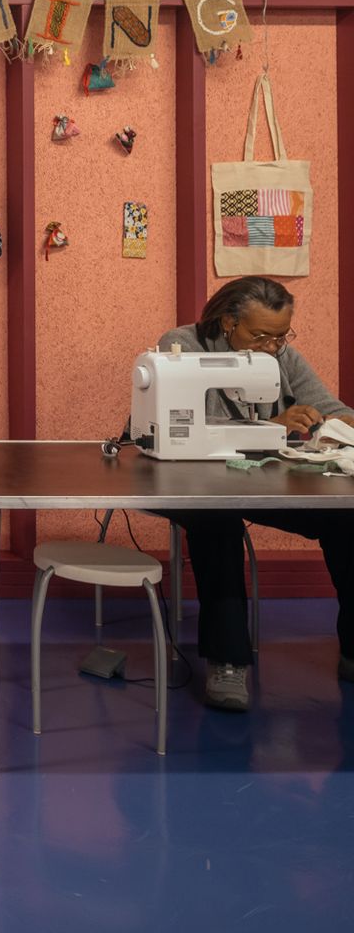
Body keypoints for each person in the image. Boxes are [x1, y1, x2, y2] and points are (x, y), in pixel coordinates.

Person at [158, 277, 354, 713]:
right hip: (185, 479)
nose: (272, 346)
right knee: (217, 522)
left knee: (348, 518)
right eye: (260, 335)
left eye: (281, 335)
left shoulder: (282, 355)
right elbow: (192, 429)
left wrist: (335, 425)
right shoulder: (183, 346)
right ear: (228, 322)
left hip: (259, 480)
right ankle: (228, 661)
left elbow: (332, 407)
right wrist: (272, 426)